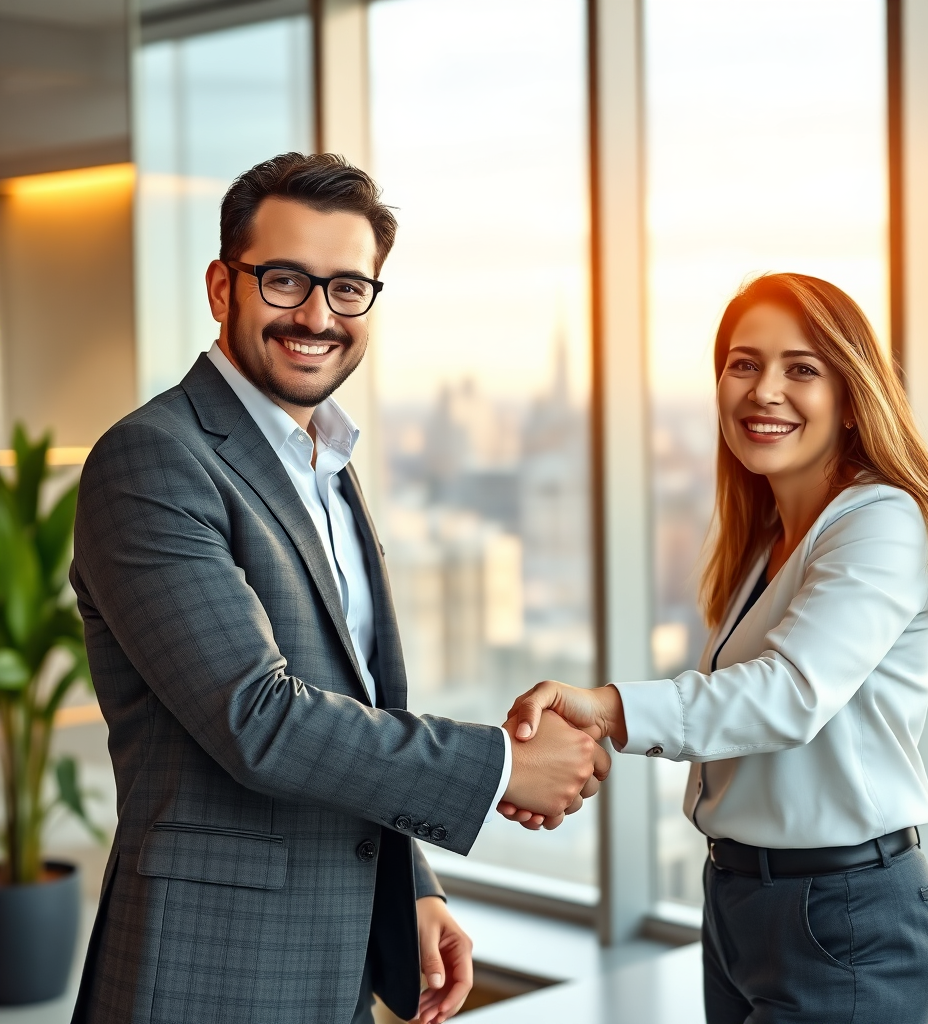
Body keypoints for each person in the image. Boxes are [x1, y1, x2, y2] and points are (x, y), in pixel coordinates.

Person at [69, 152, 610, 1024]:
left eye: (348, 288)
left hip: (334, 957)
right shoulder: (153, 460)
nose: (317, 315)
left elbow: (345, 703)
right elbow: (260, 718)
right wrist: (504, 763)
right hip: (209, 969)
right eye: (286, 280)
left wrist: (412, 883)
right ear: (222, 287)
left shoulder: (325, 465)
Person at [503, 273, 928, 1023]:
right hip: (740, 902)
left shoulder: (882, 521)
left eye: (802, 368)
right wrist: (590, 740)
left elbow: (788, 694)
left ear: (852, 397)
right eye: (743, 363)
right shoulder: (766, 540)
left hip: (842, 916)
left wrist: (608, 710)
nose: (765, 389)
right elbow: (736, 724)